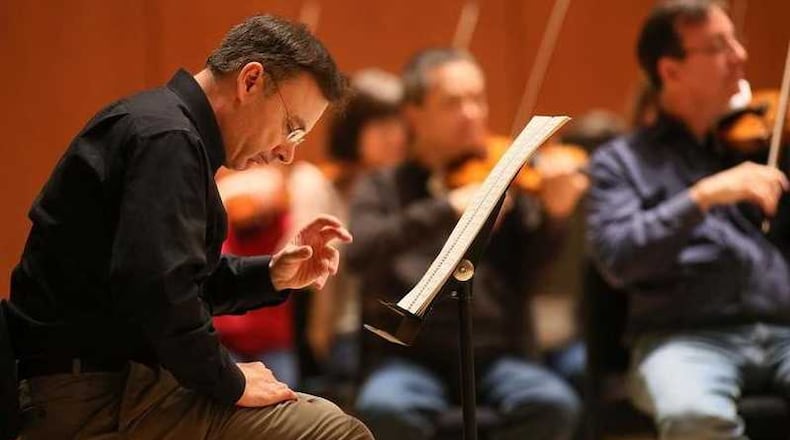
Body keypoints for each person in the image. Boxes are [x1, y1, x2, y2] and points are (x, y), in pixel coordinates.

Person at [7, 15, 373, 439]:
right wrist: (229, 380)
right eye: (291, 129)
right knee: (335, 432)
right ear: (250, 81)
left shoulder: (165, 128)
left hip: (105, 385)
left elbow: (174, 279)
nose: (286, 155)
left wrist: (270, 273)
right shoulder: (167, 139)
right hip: (93, 397)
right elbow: (158, 291)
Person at [349, 47, 583, 440]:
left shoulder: (505, 179)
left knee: (553, 404)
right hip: (409, 359)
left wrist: (555, 219)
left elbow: (532, 274)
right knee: (384, 409)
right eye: (453, 103)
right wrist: (444, 207)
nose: (472, 113)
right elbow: (358, 253)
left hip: (495, 357)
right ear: (414, 113)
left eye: (478, 99)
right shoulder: (382, 186)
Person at [586, 1, 790, 438]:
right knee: (693, 417)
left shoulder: (751, 144)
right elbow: (618, 255)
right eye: (718, 46)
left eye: (736, 40)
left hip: (781, 331)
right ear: (671, 71)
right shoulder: (620, 162)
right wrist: (702, 196)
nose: (740, 55)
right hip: (684, 339)